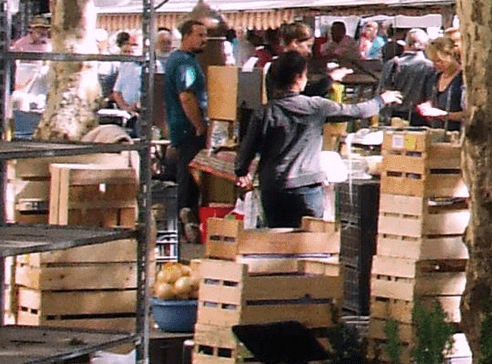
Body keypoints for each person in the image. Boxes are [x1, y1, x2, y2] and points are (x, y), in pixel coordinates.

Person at [234, 52, 402, 226]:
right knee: (312, 243)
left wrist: (241, 171)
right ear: (299, 78)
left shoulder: (265, 112)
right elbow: (356, 111)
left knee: (278, 241)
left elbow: (247, 147)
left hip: (273, 187)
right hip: (307, 186)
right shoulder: (315, 106)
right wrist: (381, 100)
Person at [165, 18, 213, 241]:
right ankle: (186, 218)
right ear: (186, 36)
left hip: (181, 126)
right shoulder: (184, 63)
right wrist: (200, 126)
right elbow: (186, 97)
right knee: (189, 176)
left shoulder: (178, 59)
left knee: (187, 173)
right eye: (200, 35)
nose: (205, 40)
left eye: (206, 35)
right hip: (187, 129)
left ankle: (186, 219)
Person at [378, 29, 438, 125]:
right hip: (419, 116)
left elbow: (382, 91)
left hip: (393, 116)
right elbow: (431, 95)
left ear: (406, 44)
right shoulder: (430, 66)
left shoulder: (391, 63)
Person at [417, 36, 465, 130]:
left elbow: (469, 114)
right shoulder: (436, 77)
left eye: (439, 61)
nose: (435, 65)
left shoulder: (462, 78)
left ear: (451, 56)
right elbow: (434, 100)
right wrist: (427, 106)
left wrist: (444, 115)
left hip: (456, 134)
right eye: (433, 61)